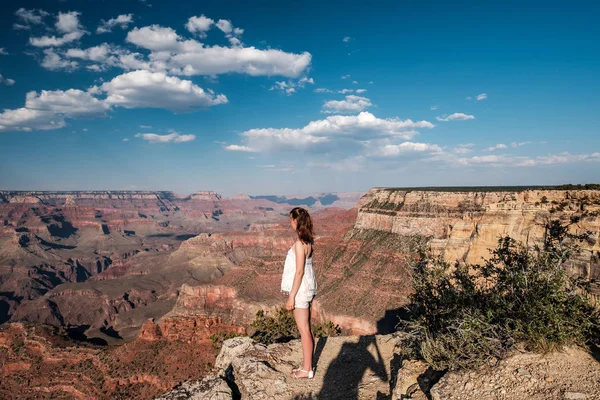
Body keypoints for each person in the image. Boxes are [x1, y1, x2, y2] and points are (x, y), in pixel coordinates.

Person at [280, 207, 318, 379]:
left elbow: (299, 271)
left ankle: (307, 369)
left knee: (303, 330)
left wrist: (291, 296)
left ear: (296, 221)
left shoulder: (299, 244)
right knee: (306, 329)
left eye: (291, 219)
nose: (290, 223)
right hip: (308, 286)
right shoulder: (308, 241)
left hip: (301, 289)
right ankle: (307, 366)